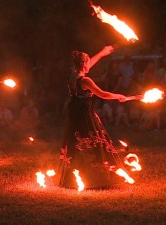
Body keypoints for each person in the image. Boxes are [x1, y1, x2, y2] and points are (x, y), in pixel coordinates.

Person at [57, 46, 138, 190]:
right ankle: (96, 176)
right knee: (94, 143)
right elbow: (103, 94)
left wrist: (102, 53)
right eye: (88, 62)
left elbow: (89, 64)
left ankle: (74, 176)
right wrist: (118, 96)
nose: (90, 65)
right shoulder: (85, 81)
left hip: (75, 114)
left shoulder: (73, 76)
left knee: (76, 143)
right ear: (83, 64)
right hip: (85, 115)